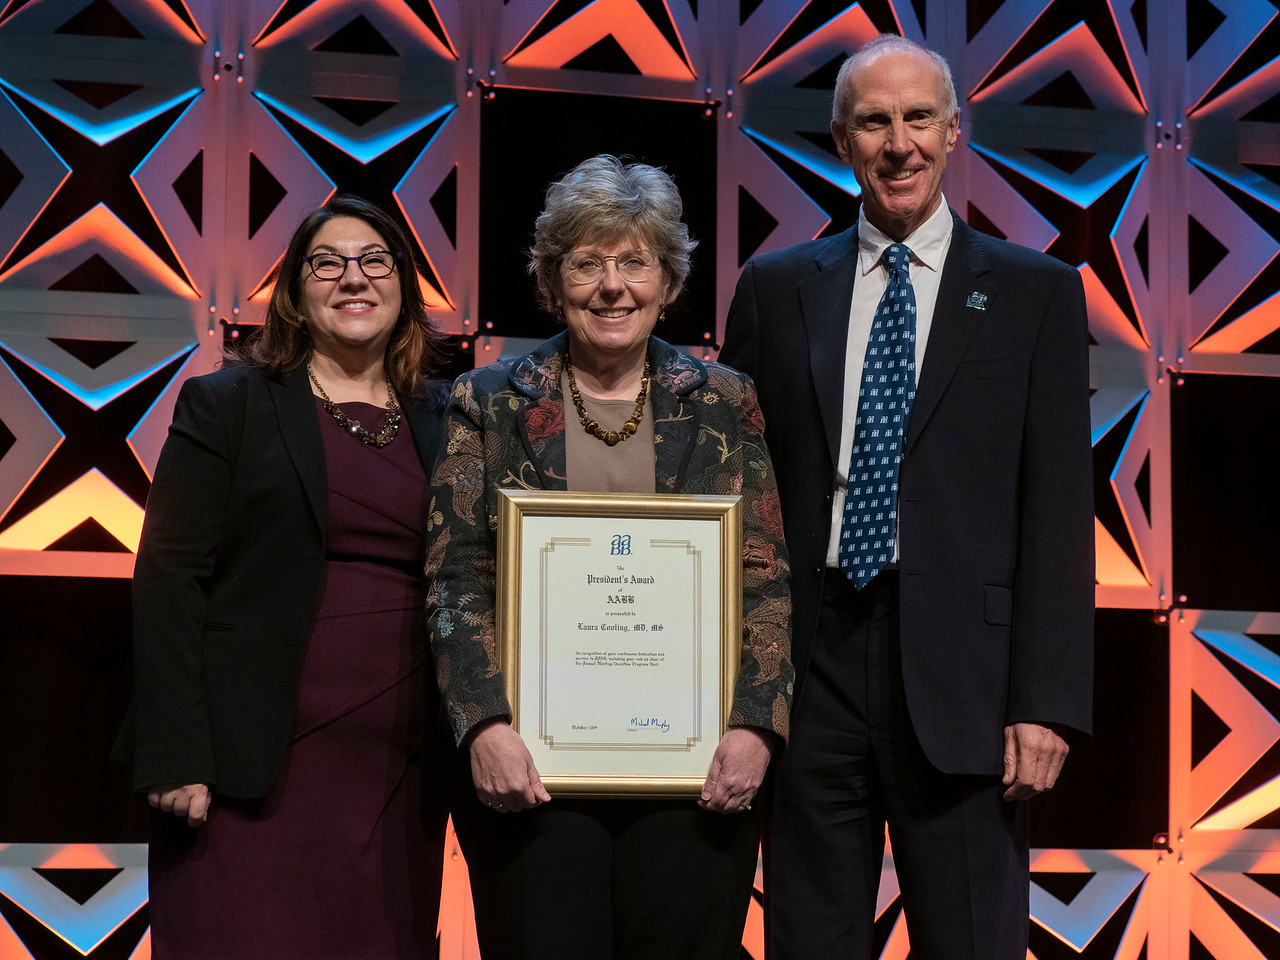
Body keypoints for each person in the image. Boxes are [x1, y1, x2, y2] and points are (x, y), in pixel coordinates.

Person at [719, 35, 1094, 959]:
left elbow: (1056, 511)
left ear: (955, 131)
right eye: (876, 122)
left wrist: (1045, 700)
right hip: (813, 670)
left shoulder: (1034, 293)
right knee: (809, 940)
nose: (900, 143)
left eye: (919, 118)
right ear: (843, 139)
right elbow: (732, 492)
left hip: (968, 680)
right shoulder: (774, 289)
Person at [426, 154, 794, 960]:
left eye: (635, 262)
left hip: (695, 772)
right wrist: (483, 724)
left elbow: (763, 574)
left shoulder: (727, 402)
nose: (612, 286)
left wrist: (755, 727)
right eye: (587, 264)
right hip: (534, 772)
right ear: (552, 283)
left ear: (668, 281)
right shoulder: (489, 400)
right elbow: (455, 577)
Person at [112, 194, 451, 959]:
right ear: (296, 292)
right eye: (325, 264)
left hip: (396, 773)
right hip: (245, 769)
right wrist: (176, 752)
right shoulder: (227, 402)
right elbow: (168, 578)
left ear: (404, 286)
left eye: (374, 261)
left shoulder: (446, 417)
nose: (351, 279)